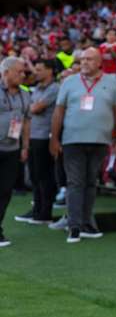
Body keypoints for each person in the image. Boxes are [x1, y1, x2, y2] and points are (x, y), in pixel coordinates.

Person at [50, 47, 116, 244]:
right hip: (72, 139)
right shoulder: (69, 82)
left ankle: (85, 223)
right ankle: (74, 226)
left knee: (91, 182)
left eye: (89, 59)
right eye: (82, 59)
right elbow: (59, 111)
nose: (84, 63)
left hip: (100, 140)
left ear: (100, 62)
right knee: (75, 182)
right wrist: (54, 138)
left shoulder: (112, 82)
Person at [17, 59, 58, 224]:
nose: (36, 72)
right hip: (33, 135)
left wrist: (29, 107)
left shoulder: (55, 88)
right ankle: (37, 209)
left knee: (44, 175)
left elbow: (34, 108)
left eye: (40, 69)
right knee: (34, 175)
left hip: (44, 136)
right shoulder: (38, 89)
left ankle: (45, 212)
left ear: (50, 71)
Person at [0, 57, 31, 247]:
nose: (23, 75)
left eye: (23, 72)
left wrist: (25, 146)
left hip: (12, 149)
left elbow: (27, 121)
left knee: (4, 191)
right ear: (6, 72)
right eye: (18, 72)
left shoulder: (25, 94)